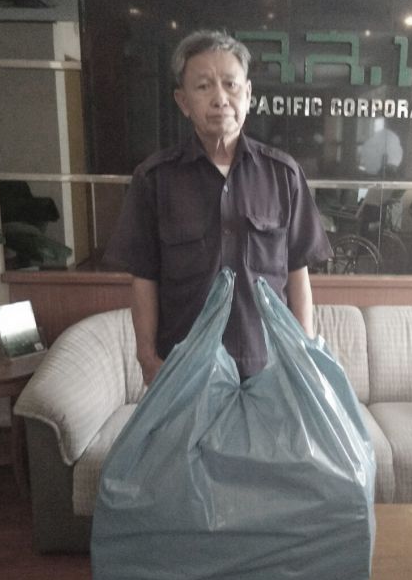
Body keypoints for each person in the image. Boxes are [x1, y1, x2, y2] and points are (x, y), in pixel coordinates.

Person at [105, 30, 333, 384]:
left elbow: (297, 272)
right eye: (204, 87)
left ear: (248, 94)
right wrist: (148, 359)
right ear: (183, 101)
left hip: (267, 369)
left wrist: (301, 353)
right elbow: (144, 277)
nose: (220, 98)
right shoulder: (154, 179)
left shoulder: (283, 175)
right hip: (185, 371)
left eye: (230, 84)